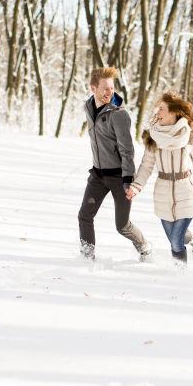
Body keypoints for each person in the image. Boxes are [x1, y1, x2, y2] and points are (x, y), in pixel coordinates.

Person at [126, 91, 193, 264]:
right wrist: (136, 186)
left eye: (161, 109)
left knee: (176, 242)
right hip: (163, 194)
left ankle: (180, 276)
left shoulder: (189, 137)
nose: (157, 112)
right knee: (174, 236)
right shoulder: (153, 138)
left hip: (186, 192)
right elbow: (146, 166)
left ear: (174, 112)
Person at [78, 67, 150, 261]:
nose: (109, 92)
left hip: (119, 177)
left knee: (122, 226)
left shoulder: (119, 114)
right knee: (84, 216)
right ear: (93, 88)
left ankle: (144, 247)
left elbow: (127, 149)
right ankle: (87, 257)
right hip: (98, 176)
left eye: (111, 88)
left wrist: (128, 179)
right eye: (105, 88)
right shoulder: (88, 106)